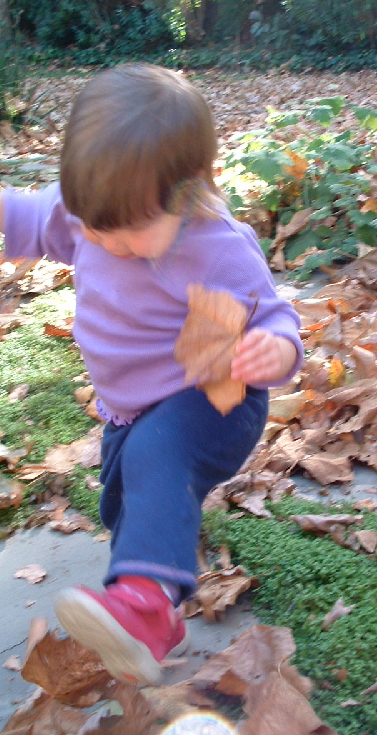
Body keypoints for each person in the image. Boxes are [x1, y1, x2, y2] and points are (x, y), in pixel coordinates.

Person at [0, 63, 303, 686]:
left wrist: (275, 350)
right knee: (127, 502)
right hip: (129, 408)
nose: (106, 242)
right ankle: (150, 608)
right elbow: (25, 218)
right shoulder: (96, 211)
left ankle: (143, 608)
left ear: (188, 194)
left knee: (157, 457)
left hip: (212, 398)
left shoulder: (216, 244)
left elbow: (274, 314)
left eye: (131, 230)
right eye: (93, 226)